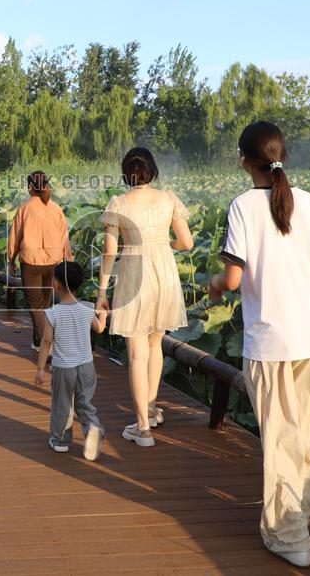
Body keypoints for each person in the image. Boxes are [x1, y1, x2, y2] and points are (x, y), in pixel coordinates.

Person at [208, 121, 310, 569]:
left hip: (271, 341)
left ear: (243, 161)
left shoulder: (242, 207)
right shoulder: (308, 203)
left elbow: (234, 278)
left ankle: (290, 536)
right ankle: (296, 521)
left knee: (279, 439)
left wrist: (215, 284)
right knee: (299, 437)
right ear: (282, 156)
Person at [97, 148, 193, 448]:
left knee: (137, 353)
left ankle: (142, 428)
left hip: (134, 276)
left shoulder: (119, 203)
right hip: (164, 274)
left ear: (127, 173)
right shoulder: (169, 199)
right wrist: (165, 244)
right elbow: (186, 242)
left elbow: (111, 251)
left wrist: (101, 292)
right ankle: (150, 411)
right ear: (152, 170)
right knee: (155, 344)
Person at [34, 260, 108, 460]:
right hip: (86, 366)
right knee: (84, 403)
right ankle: (92, 428)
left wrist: (40, 368)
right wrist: (104, 315)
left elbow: (47, 341)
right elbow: (99, 328)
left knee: (62, 404)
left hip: (63, 368)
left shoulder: (53, 313)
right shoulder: (86, 308)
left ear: (56, 285)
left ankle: (60, 441)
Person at [7, 171, 73, 353]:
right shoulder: (56, 209)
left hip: (31, 263)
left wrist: (11, 260)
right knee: (46, 305)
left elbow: (15, 238)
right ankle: (38, 341)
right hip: (53, 262)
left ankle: (49, 346)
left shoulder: (24, 209)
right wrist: (68, 259)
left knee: (36, 307)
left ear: (30, 187)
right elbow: (64, 238)